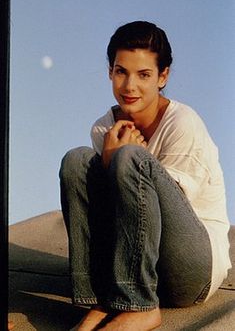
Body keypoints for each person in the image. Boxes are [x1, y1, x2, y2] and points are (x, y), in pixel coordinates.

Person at [59, 21, 231, 331]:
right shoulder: (104, 127)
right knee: (76, 160)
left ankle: (141, 308)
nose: (129, 87)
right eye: (121, 71)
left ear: (163, 76)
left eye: (144, 75)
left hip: (191, 268)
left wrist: (120, 160)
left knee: (130, 157)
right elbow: (116, 215)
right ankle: (98, 297)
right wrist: (110, 160)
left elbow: (171, 213)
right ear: (110, 71)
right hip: (135, 265)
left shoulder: (183, 123)